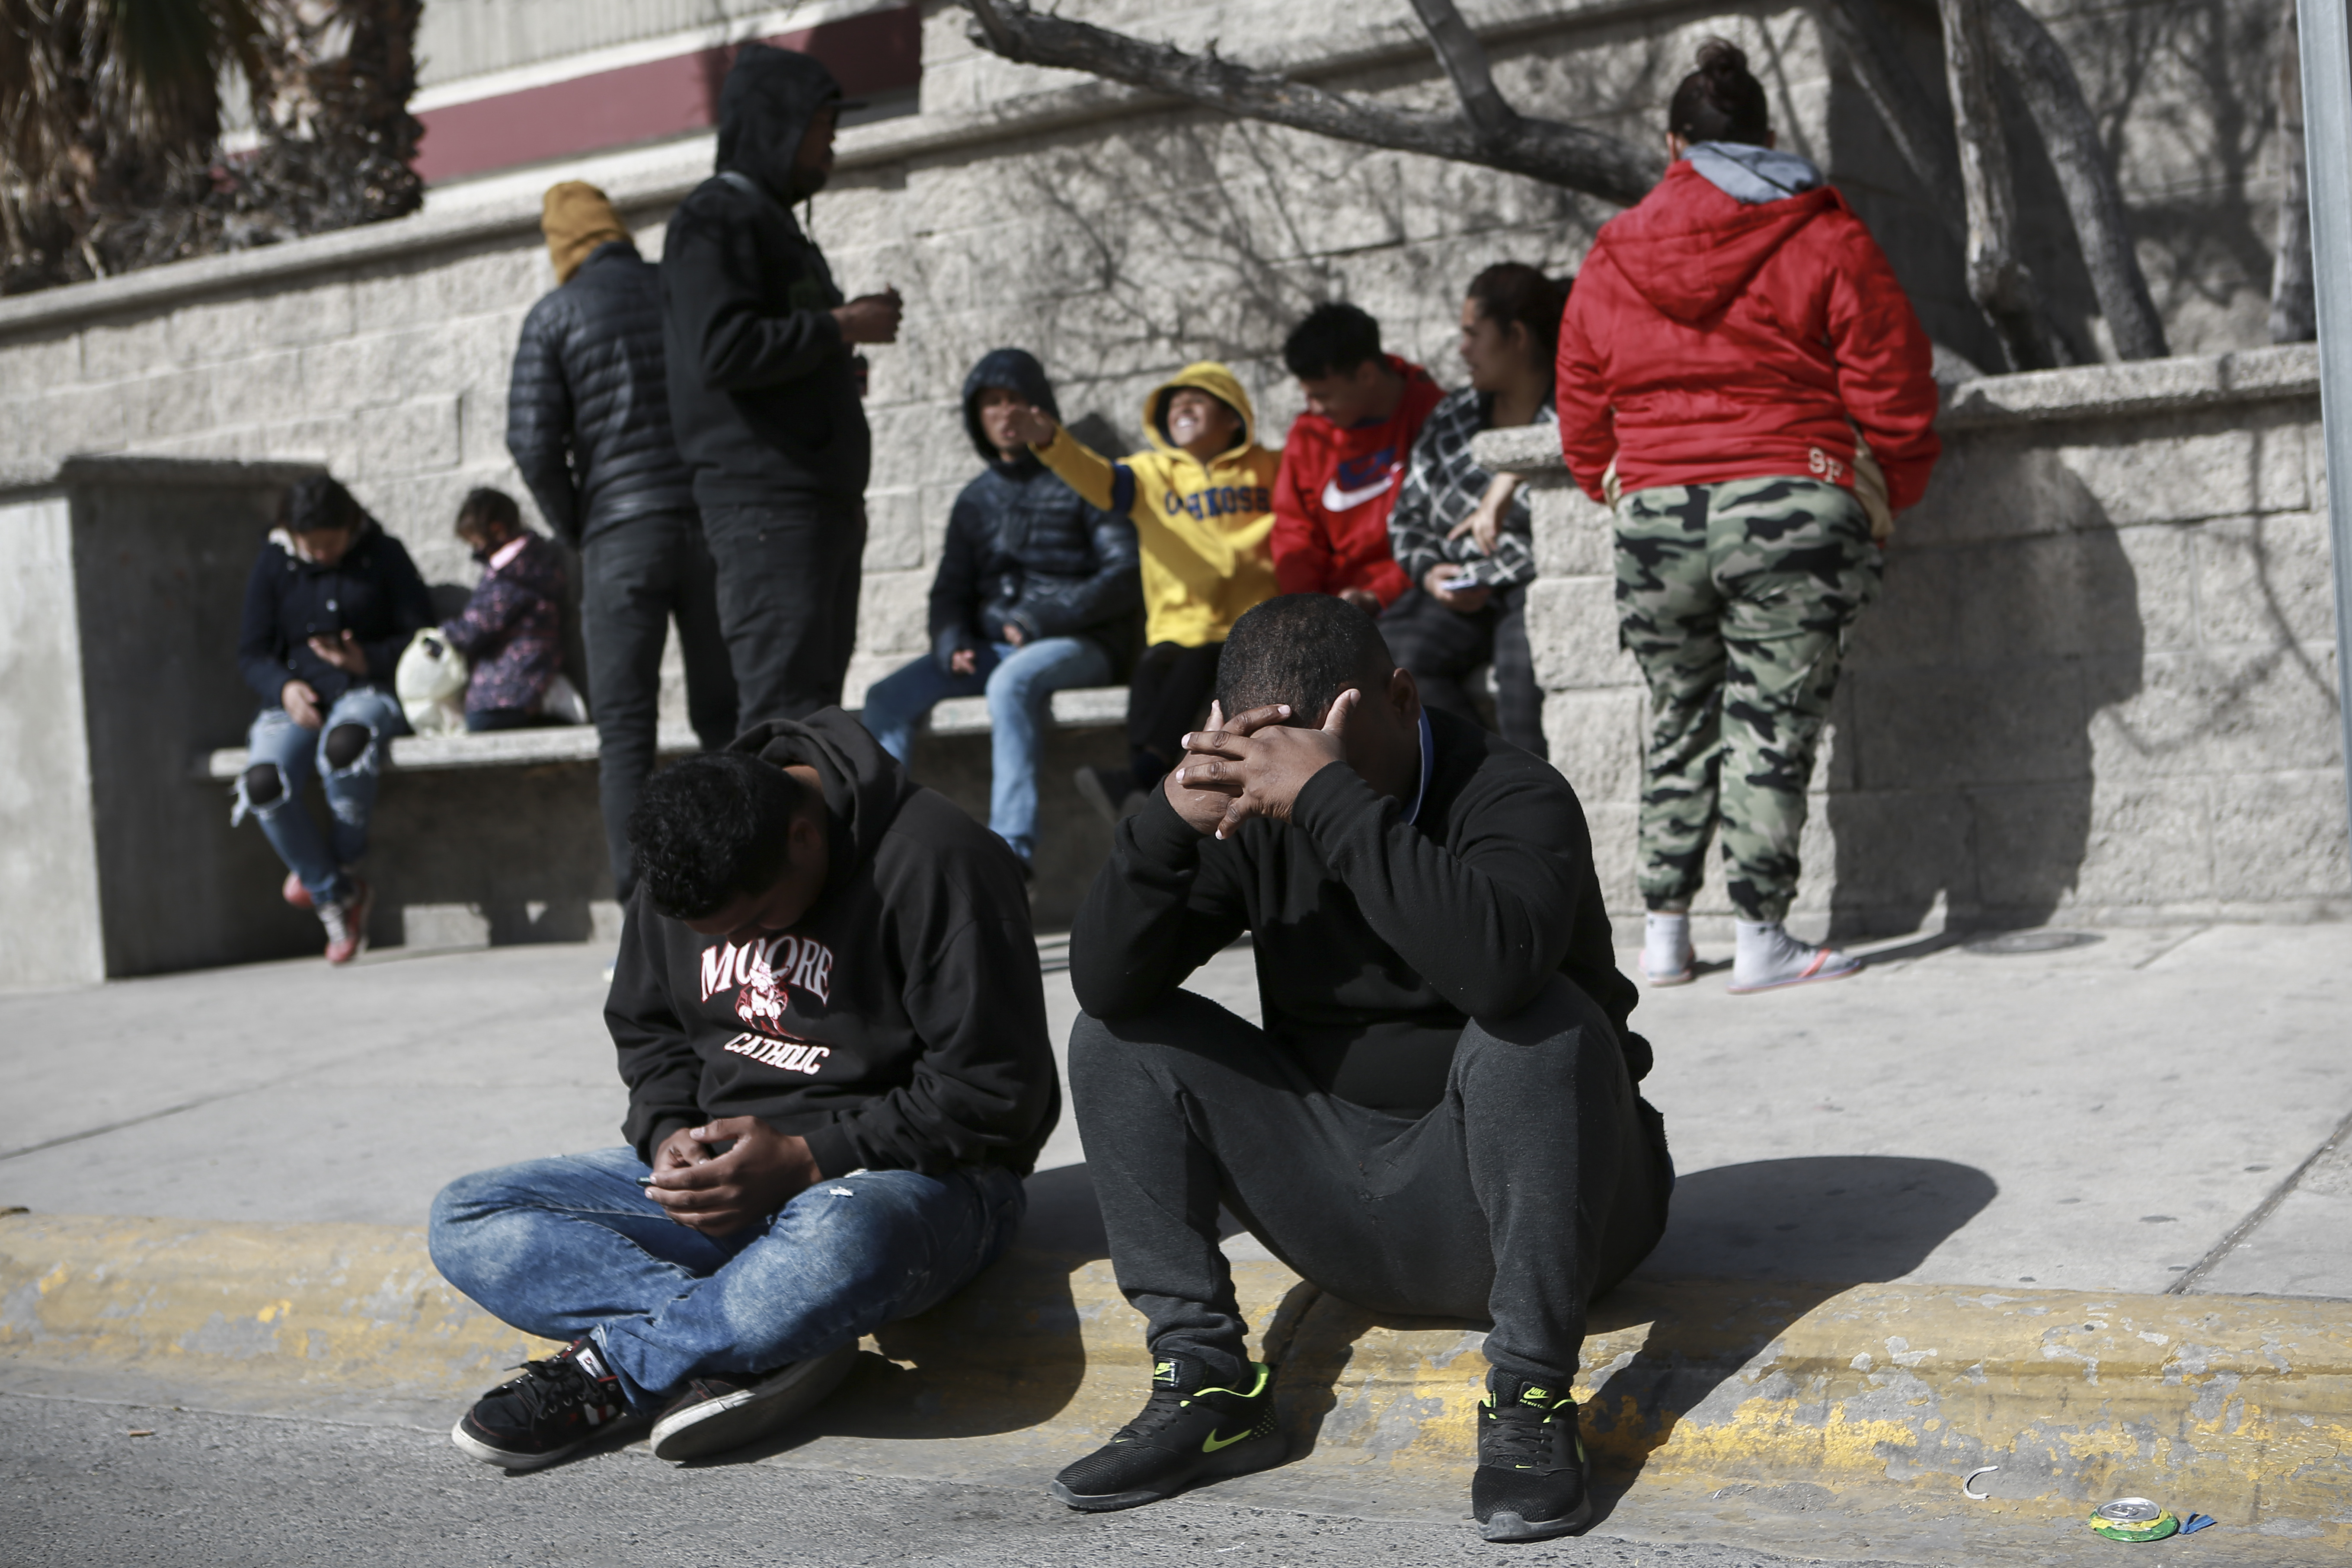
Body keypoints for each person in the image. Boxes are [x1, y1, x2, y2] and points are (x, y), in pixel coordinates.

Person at [1053, 594, 1671, 1543]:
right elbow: (1104, 979)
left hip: (1548, 1212)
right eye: (1276, 762)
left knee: (1536, 1023)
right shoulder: (1251, 810)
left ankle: (1530, 1399)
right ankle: (1209, 1384)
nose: (1289, 789)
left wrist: (1330, 797)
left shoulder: (1512, 794)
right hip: (1349, 1204)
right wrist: (1166, 824)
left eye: (1321, 756)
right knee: (1118, 1037)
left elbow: (1497, 968)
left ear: (1400, 695)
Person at [429, 709, 1058, 1470]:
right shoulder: (689, 861)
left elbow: (996, 1091)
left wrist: (808, 1157)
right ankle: (766, 1336)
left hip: (912, 1183)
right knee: (467, 1215)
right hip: (731, 1186)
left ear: (804, 837)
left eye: (756, 921)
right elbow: (649, 1028)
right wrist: (668, 1132)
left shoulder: (938, 858)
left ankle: (617, 1369)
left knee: (841, 1239)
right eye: (716, 936)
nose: (738, 950)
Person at [1555, 39, 1940, 993]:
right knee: (1770, 720)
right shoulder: (1822, 233)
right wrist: (1885, 486)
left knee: (1678, 713)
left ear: (1671, 142)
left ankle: (1663, 934)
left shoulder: (1612, 250)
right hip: (1790, 495)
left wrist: (1614, 477)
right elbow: (1891, 382)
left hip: (1653, 513)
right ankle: (1762, 936)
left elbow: (1579, 401)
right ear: (1769, 137)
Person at [662, 45, 904, 726]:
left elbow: (774, 348)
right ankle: (765, 837)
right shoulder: (714, 220)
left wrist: (835, 355)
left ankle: (809, 836)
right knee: (782, 721)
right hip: (769, 511)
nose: (832, 144)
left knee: (814, 717)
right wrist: (841, 324)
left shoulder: (775, 224)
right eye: (823, 126)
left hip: (816, 506)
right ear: (778, 125)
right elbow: (722, 349)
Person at [508, 179, 738, 897]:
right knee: (725, 719)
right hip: (710, 521)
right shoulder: (682, 289)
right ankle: (743, 894)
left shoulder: (554, 315)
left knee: (627, 737)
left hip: (619, 536)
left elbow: (531, 441)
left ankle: (646, 918)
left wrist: (578, 522)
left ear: (561, 245)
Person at [858, 349, 1142, 875]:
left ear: (1041, 409)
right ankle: (881, 852)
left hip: (1079, 643)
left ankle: (1011, 855)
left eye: (1015, 401)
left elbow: (1125, 576)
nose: (1005, 414)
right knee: (887, 698)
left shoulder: (1084, 478)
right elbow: (949, 591)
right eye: (991, 404)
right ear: (976, 417)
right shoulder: (974, 500)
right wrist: (950, 640)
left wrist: (1043, 619)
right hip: (992, 648)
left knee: (1011, 682)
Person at [1000, 364, 1280, 824]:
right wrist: (1052, 443)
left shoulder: (1270, 466)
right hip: (1176, 628)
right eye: (1173, 404)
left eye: (1197, 400)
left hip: (1250, 627)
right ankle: (1148, 789)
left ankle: (1142, 784)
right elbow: (1100, 482)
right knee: (1150, 675)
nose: (1181, 408)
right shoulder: (1151, 473)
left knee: (1196, 666)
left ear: (1234, 418)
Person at [232, 473, 433, 964]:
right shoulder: (274, 563)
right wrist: (284, 687)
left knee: (347, 747)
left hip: (366, 691)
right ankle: (337, 892)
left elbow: (423, 636)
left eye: (332, 543)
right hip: (294, 701)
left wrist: (366, 660)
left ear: (352, 526)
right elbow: (252, 652)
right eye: (312, 545)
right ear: (291, 533)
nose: (322, 554)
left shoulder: (385, 554)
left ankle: (329, 876)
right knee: (262, 783)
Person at [1384, 264, 1566, 760]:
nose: (1462, 349)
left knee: (1527, 678)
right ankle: (1478, 785)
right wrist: (1429, 574)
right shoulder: (1453, 415)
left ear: (1518, 336)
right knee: (1393, 655)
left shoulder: (1575, 409)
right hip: (1457, 584)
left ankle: (1540, 809)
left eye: (1473, 334)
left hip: (1537, 581)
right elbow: (1407, 517)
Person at [1269, 301, 1443, 612]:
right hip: (1336, 608)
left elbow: (1442, 527)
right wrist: (1308, 610)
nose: (1315, 408)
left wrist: (1378, 595)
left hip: (1419, 593)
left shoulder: (1435, 416)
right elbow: (1295, 534)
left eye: (1322, 396)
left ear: (1366, 375)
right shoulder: (1308, 434)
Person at [435, 488, 568, 732]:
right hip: (526, 681)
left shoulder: (513, 576)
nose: (476, 553)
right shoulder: (532, 563)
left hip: (510, 688)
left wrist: (443, 632)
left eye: (477, 544)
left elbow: (474, 630)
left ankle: (553, 719)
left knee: (481, 724)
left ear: (497, 530)